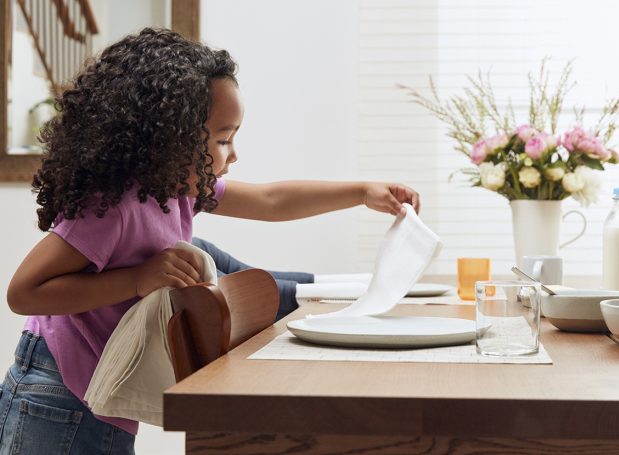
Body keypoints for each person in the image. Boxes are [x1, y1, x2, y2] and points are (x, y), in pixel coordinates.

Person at [0, 28, 419, 454]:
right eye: (222, 139)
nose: (233, 154)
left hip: (98, 395)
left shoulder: (175, 191)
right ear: (168, 139)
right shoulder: (112, 208)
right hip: (54, 394)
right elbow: (24, 292)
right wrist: (137, 279)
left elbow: (272, 200)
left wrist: (362, 191)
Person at [191, 237, 313, 321]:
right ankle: (323, 293)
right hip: (184, 263)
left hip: (189, 246)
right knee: (250, 289)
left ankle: (324, 289)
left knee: (246, 274)